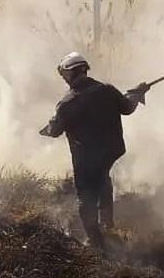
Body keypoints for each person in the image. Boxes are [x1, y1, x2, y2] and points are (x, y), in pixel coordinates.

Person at [40, 52, 148, 248]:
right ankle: (107, 224)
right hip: (111, 151)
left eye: (63, 74)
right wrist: (136, 93)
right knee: (103, 178)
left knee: (86, 195)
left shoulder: (68, 102)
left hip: (86, 158)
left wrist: (47, 129)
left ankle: (95, 240)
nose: (63, 78)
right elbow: (127, 107)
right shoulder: (107, 90)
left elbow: (54, 131)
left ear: (69, 73)